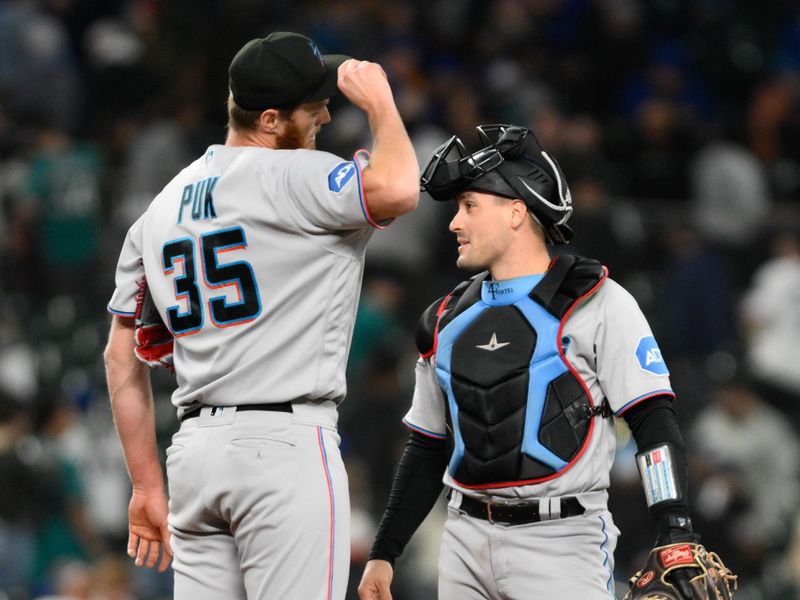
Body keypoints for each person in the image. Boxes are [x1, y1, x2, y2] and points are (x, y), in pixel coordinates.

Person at [103, 32, 419, 599]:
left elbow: (119, 355)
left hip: (195, 458)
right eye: (313, 104)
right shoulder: (296, 177)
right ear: (270, 120)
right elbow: (399, 187)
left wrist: (146, 485)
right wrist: (381, 104)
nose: (325, 111)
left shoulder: (159, 208)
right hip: (285, 447)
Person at [358, 124, 725, 599]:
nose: (454, 223)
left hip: (563, 540)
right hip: (464, 537)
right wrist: (385, 550)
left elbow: (652, 420)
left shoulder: (598, 301)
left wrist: (675, 526)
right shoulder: (444, 317)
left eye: (469, 206)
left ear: (516, 212)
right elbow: (427, 447)